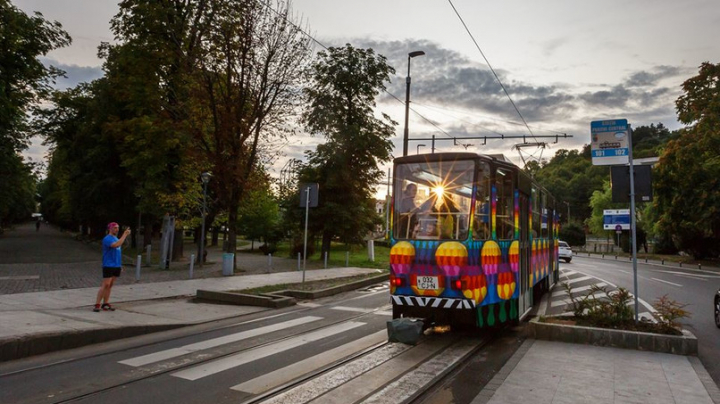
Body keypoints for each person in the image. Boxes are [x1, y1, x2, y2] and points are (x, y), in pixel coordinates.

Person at [94, 222, 130, 312]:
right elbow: (116, 245)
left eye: (117, 228)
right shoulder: (107, 239)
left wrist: (119, 265)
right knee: (105, 284)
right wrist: (124, 235)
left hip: (116, 265)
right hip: (108, 265)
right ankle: (97, 303)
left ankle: (105, 303)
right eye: (114, 228)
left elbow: (118, 253)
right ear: (110, 229)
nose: (116, 229)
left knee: (110, 285)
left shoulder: (116, 238)